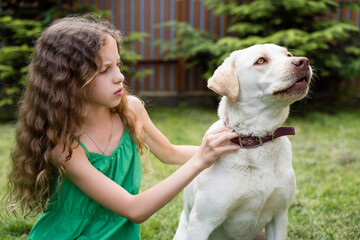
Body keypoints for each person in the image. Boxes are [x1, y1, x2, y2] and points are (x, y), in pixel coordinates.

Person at [5, 16, 239, 239]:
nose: (120, 77)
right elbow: (134, 209)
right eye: (104, 69)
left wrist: (234, 148)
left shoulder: (131, 110)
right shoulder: (63, 144)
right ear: (68, 80)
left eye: (118, 64)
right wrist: (200, 161)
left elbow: (169, 153)